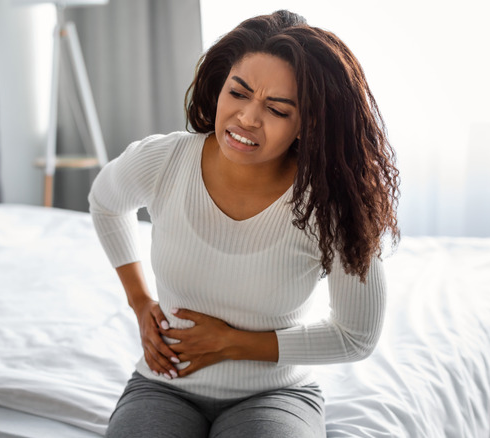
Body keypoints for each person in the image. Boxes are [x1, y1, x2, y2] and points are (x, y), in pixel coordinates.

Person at [88, 9, 400, 438]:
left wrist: (232, 343)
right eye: (239, 93)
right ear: (220, 87)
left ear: (307, 123)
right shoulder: (164, 161)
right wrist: (140, 302)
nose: (248, 118)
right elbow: (105, 203)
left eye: (276, 108)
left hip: (275, 395)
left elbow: (357, 336)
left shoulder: (330, 205)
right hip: (164, 385)